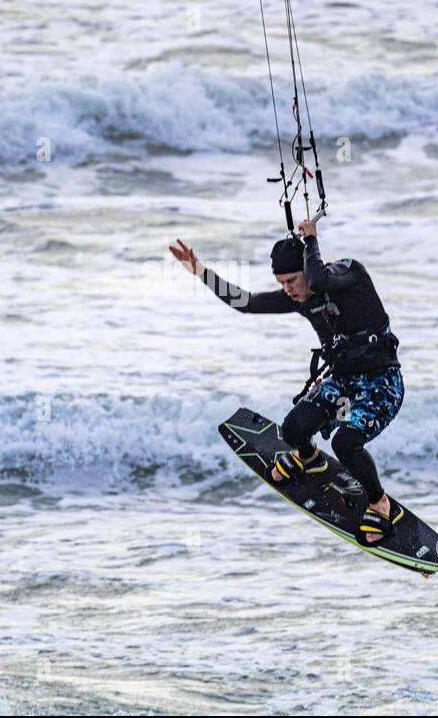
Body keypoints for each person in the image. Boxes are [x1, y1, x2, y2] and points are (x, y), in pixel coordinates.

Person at [169, 219, 406, 546]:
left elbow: (320, 278)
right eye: (281, 283)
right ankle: (308, 458)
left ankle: (381, 505)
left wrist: (310, 239)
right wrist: (200, 271)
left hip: (382, 383)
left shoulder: (351, 276)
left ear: (307, 270)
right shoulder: (300, 298)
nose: (288, 290)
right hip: (344, 381)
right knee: (293, 430)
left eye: (292, 280)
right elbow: (246, 303)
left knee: (345, 444)